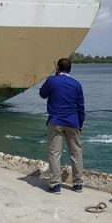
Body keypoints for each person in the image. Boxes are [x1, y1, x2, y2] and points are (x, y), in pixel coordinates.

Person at [39, 57, 85, 194]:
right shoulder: (77, 84)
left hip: (56, 121)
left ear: (58, 68)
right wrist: (80, 123)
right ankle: (78, 184)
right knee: (76, 152)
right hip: (73, 122)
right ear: (69, 69)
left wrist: (52, 79)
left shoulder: (52, 80)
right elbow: (81, 107)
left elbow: (42, 94)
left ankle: (55, 185)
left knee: (54, 153)